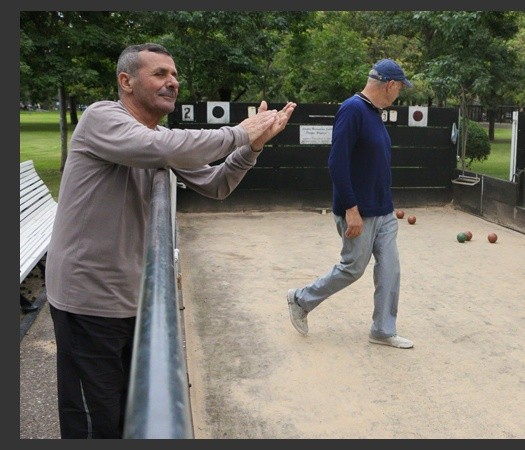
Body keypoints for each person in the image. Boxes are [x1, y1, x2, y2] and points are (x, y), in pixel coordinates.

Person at [45, 43, 296, 439]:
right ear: (126, 82)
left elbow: (215, 185)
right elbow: (158, 148)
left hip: (132, 299)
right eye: (160, 73)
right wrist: (236, 133)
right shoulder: (102, 117)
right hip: (88, 302)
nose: (173, 82)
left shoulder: (158, 137)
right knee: (95, 424)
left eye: (174, 74)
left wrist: (252, 145)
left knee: (131, 418)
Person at [285, 58, 414, 349]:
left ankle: (382, 329)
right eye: (399, 89)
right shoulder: (353, 110)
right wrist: (351, 208)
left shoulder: (373, 113)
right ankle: (300, 299)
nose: (399, 94)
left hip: (384, 210)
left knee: (390, 268)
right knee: (353, 268)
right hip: (360, 210)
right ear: (390, 85)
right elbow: (337, 162)